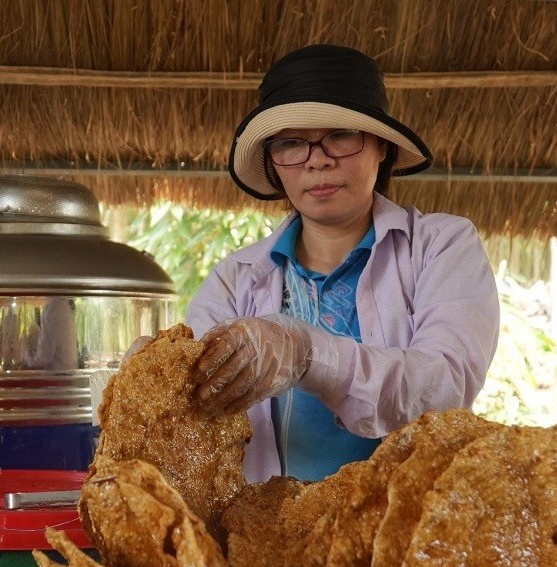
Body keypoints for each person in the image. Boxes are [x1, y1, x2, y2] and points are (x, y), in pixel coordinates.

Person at [185, 44, 500, 483]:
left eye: (341, 135)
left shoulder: (441, 247)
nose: (318, 157)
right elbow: (197, 407)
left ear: (382, 149)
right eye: (292, 143)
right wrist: (167, 376)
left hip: (403, 531)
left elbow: (446, 386)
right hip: (264, 535)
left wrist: (308, 353)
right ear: (276, 166)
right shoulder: (234, 280)